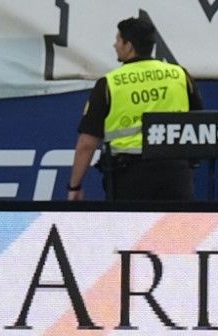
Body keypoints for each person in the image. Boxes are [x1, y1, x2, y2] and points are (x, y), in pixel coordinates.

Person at [67, 14, 205, 203]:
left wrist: (74, 186)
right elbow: (200, 123)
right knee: (175, 231)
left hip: (130, 178)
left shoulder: (109, 84)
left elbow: (87, 144)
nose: (114, 44)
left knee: (131, 232)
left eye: (118, 39)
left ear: (129, 45)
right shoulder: (179, 75)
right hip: (176, 174)